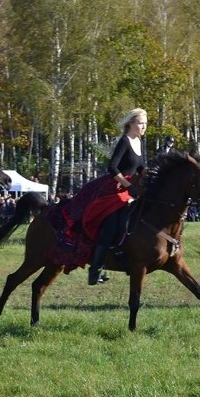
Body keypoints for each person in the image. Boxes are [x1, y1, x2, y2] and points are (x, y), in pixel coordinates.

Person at [86, 108, 147, 285]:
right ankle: (95, 269)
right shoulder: (124, 141)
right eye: (140, 123)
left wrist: (150, 174)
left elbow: (140, 167)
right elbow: (112, 168)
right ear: (131, 124)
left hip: (132, 188)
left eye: (145, 124)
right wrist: (128, 185)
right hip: (116, 188)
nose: (143, 127)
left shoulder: (138, 142)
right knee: (112, 224)